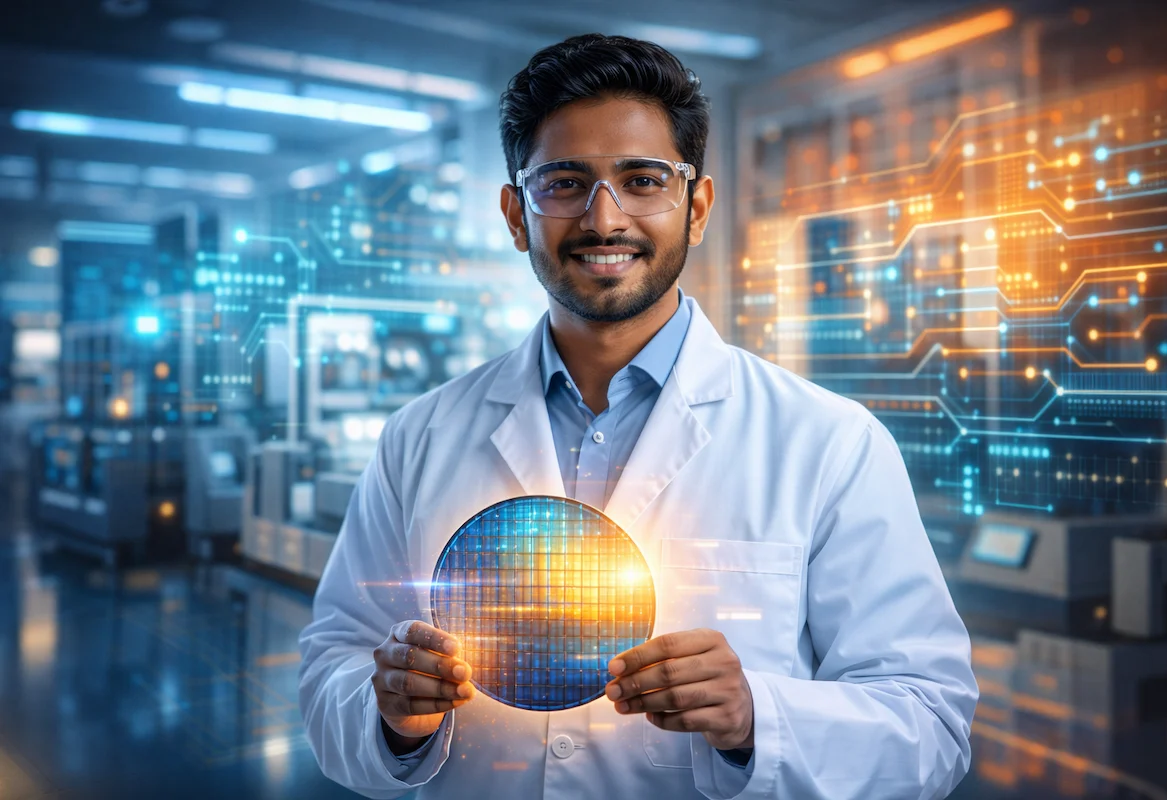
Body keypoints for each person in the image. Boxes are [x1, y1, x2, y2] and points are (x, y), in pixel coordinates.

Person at [299, 33, 978, 800]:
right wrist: (388, 715)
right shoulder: (419, 438)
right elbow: (334, 665)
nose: (604, 217)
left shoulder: (828, 442)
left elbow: (930, 726)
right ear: (516, 215)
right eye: (563, 182)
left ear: (697, 207)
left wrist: (759, 715)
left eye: (643, 178)